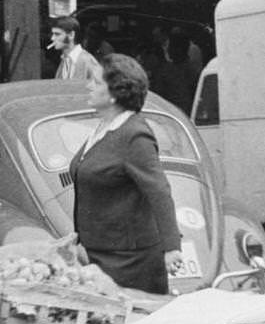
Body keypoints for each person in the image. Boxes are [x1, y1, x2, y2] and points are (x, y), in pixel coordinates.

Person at [68, 54, 185, 295]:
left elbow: (159, 190)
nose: (88, 86)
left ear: (115, 94)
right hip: (99, 254)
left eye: (96, 82)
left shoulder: (134, 135)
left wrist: (172, 247)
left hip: (130, 262)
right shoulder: (104, 128)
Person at [48, 15, 103, 85]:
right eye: (52, 34)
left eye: (57, 34)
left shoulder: (87, 60)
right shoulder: (65, 60)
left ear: (71, 35)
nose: (52, 38)